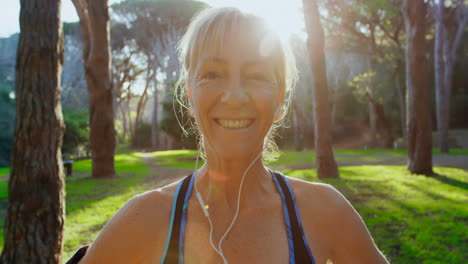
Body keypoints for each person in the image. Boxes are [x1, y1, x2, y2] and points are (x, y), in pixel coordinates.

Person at [68, 7, 389, 264]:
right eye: (212, 74)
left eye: (256, 75)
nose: (234, 96)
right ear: (190, 96)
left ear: (279, 101)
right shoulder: (144, 218)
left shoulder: (326, 212)